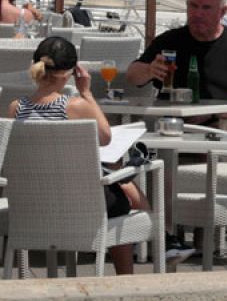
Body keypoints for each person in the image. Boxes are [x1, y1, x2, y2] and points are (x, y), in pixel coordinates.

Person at [11, 36, 149, 275]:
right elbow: (106, 137)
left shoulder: (16, 108)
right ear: (71, 72)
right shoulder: (75, 106)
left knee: (119, 185)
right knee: (122, 194)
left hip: (32, 202)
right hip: (80, 202)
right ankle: (128, 278)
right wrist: (87, 92)